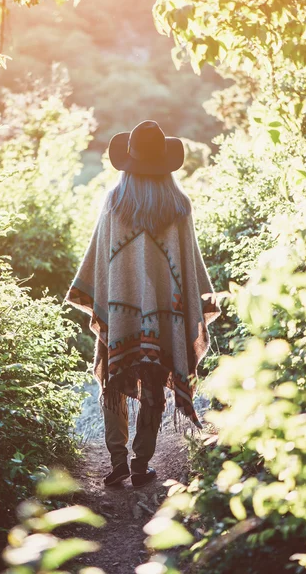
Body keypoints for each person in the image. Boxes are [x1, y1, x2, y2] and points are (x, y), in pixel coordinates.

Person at [64, 120, 221, 488]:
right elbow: (187, 270)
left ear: (129, 161)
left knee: (114, 382)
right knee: (153, 381)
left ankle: (117, 460)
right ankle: (140, 464)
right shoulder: (179, 206)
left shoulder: (114, 202)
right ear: (164, 163)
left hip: (119, 313)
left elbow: (100, 265)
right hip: (164, 316)